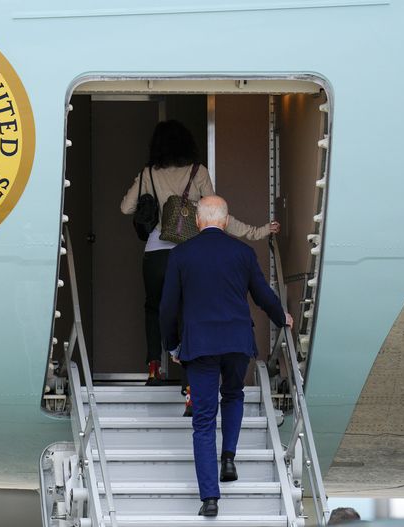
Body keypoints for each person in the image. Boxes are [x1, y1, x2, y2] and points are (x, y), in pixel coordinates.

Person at [121, 120, 279, 388]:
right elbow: (217, 215)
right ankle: (190, 382)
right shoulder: (199, 172)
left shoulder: (149, 173)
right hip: (191, 253)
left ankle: (153, 368)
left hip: (156, 253)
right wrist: (258, 231)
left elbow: (126, 208)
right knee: (188, 310)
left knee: (154, 308)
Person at [158, 195, 290, 517]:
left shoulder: (180, 255)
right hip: (236, 341)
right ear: (227, 220)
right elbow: (262, 295)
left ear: (199, 222)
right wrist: (281, 316)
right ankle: (228, 457)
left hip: (200, 345)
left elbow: (167, 308)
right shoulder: (242, 253)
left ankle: (210, 499)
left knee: (203, 420)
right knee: (233, 394)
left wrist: (173, 346)